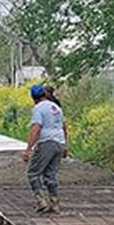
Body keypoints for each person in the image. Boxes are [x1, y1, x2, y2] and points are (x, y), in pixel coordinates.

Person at [22, 83, 67, 213]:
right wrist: (65, 145)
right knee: (50, 175)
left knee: (33, 173)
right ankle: (54, 203)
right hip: (59, 142)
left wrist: (28, 149)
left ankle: (41, 202)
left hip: (47, 142)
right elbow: (64, 126)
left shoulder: (38, 109)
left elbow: (36, 128)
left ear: (33, 97)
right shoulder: (56, 107)